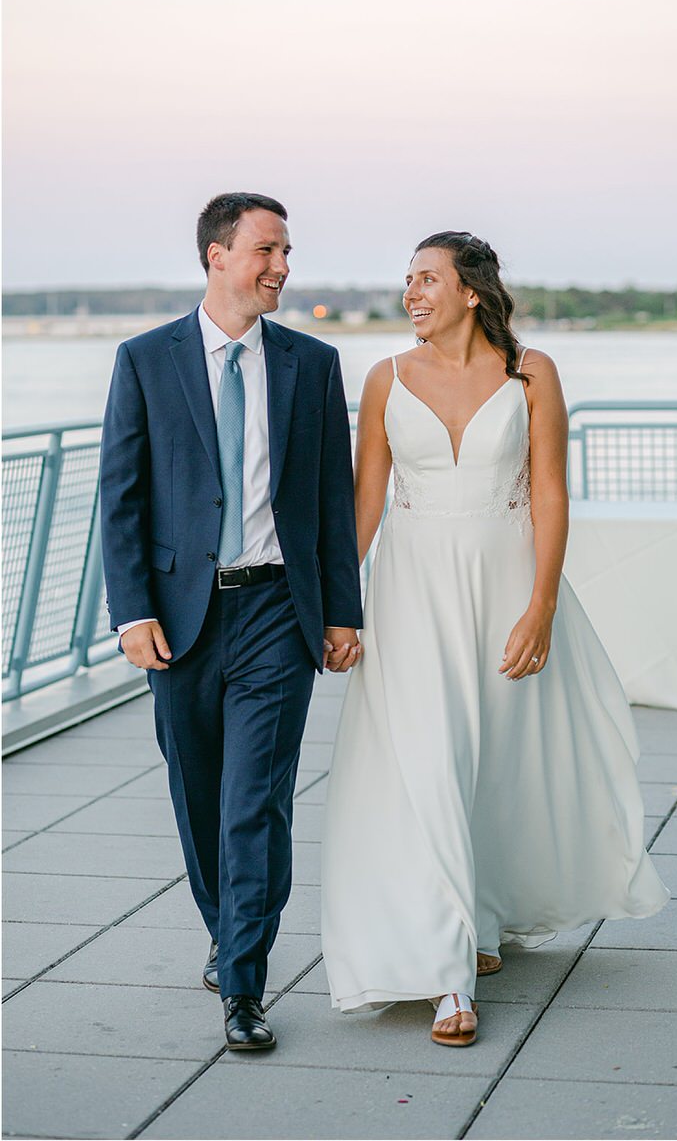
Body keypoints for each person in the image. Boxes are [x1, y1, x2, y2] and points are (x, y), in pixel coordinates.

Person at [321, 231, 670, 1047]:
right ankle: (447, 981)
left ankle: (477, 918)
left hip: (504, 588)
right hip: (410, 595)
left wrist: (541, 604)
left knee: (491, 761)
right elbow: (362, 504)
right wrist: (342, 607)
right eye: (406, 280)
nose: (410, 293)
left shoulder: (531, 373)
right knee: (428, 762)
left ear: (469, 292)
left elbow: (549, 492)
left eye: (427, 279)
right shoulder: (385, 379)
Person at [100, 192, 362, 1050]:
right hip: (179, 624)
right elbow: (122, 498)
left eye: (286, 252)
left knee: (256, 804)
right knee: (198, 797)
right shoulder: (145, 360)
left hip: (276, 616)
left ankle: (243, 985)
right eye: (267, 251)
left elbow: (329, 500)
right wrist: (131, 610)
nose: (282, 267)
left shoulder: (310, 364)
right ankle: (227, 929)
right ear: (217, 256)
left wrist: (340, 613)